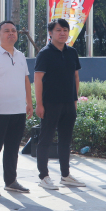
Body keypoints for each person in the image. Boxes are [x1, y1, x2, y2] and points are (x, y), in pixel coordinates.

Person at [0, 21, 33, 196]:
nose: (11, 33)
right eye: (6, 31)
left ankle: (11, 181)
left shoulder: (20, 56)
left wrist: (29, 102)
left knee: (12, 148)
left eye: (13, 31)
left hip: (18, 110)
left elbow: (26, 80)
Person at [34, 18, 86, 190]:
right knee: (45, 140)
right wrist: (39, 104)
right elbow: (38, 79)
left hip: (68, 103)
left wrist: (74, 100)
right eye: (58, 30)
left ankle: (65, 175)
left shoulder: (72, 52)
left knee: (66, 140)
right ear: (51, 33)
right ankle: (44, 177)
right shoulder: (45, 53)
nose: (62, 33)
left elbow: (75, 77)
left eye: (65, 30)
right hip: (50, 103)